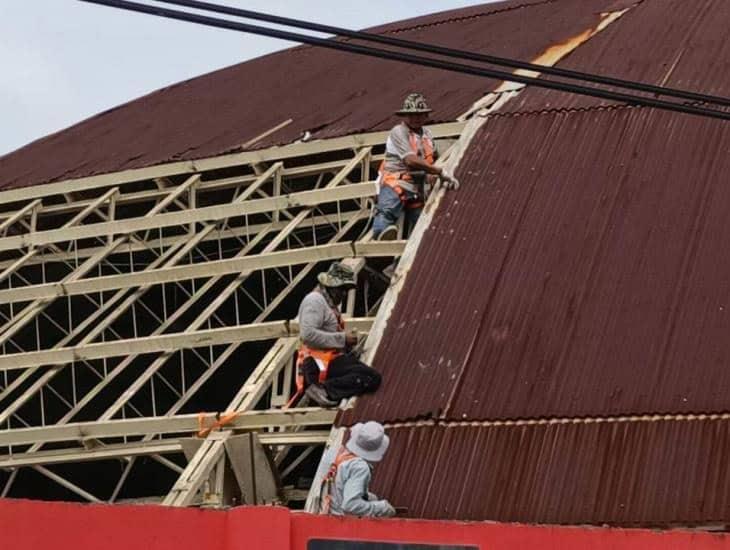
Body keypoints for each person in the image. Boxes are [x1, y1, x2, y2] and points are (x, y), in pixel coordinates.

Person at [372, 92, 460, 241]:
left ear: (426, 116)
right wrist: (438, 171)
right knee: (386, 213)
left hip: (416, 188)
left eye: (419, 115)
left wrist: (433, 173)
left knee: (423, 225)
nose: (416, 118)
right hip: (396, 182)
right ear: (406, 116)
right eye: (412, 115)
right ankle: (381, 239)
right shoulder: (398, 132)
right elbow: (410, 160)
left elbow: (433, 157)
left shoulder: (426, 134)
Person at [296, 262, 382, 407]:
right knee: (370, 377)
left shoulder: (327, 304)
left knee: (366, 374)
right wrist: (343, 339)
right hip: (318, 365)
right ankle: (324, 390)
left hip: (327, 362)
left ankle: (326, 388)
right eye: (342, 290)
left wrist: (347, 348)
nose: (344, 295)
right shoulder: (314, 301)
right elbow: (308, 334)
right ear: (333, 287)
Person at [318, 421, 395, 517]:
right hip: (342, 525)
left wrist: (366, 496)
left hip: (322, 518)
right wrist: (381, 507)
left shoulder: (333, 453)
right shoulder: (359, 467)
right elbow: (351, 505)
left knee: (372, 497)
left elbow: (336, 488)